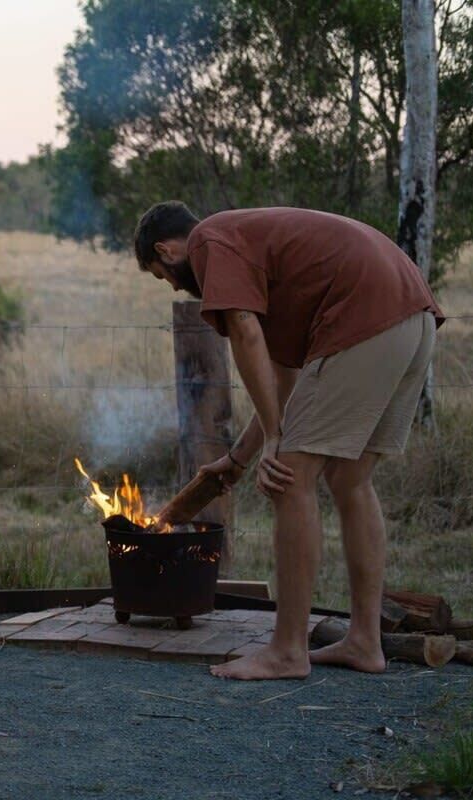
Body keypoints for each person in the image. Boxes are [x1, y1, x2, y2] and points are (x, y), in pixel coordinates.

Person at [132, 203, 442, 681]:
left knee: (289, 478)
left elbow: (245, 334)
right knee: (350, 479)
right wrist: (239, 458)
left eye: (161, 275)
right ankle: (365, 642)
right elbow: (284, 378)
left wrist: (277, 440)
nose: (173, 286)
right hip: (411, 318)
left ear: (166, 249)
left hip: (366, 316)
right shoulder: (252, 250)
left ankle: (287, 651)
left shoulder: (208, 241)